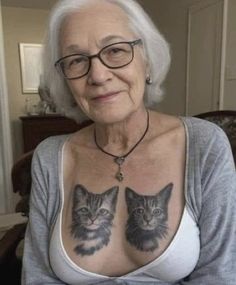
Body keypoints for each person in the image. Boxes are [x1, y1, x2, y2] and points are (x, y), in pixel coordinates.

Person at [21, 0, 236, 284]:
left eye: (115, 50)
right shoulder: (49, 157)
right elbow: (37, 277)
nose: (98, 75)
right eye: (76, 60)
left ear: (146, 60)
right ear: (65, 81)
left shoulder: (204, 145)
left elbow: (219, 275)